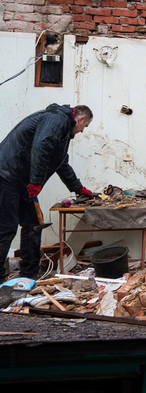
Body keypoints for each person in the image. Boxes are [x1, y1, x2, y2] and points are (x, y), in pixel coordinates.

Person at [0, 104, 94, 283]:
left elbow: (61, 163)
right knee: (6, 227)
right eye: (85, 126)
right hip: (7, 175)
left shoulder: (64, 130)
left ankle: (28, 275)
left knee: (34, 223)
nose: (83, 131)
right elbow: (40, 146)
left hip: (22, 181)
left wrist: (78, 188)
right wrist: (36, 182)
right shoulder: (56, 119)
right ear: (80, 119)